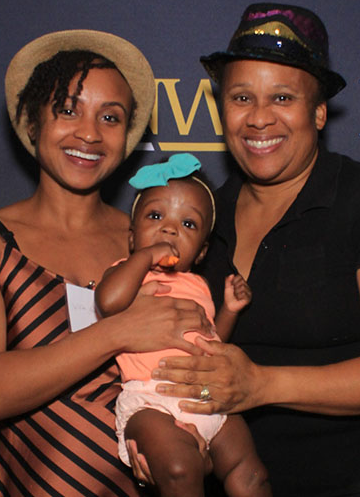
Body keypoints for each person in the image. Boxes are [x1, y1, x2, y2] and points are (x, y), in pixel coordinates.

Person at [148, 3, 360, 497]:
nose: (259, 118)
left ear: (319, 112)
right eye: (242, 97)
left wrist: (262, 384)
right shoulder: (202, 218)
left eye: (282, 97)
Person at [0, 30, 213, 496]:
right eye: (68, 110)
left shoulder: (151, 238)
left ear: (127, 136)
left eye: (110, 117)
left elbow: (196, 360)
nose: (89, 133)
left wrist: (197, 442)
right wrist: (120, 331)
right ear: (31, 121)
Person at [95, 153, 270, 497]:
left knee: (251, 474)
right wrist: (144, 257)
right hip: (151, 399)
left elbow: (211, 340)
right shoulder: (125, 273)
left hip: (205, 393)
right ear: (131, 238)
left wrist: (230, 311)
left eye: (188, 224)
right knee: (179, 469)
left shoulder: (199, 285)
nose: (170, 228)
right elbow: (108, 302)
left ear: (202, 252)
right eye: (156, 216)